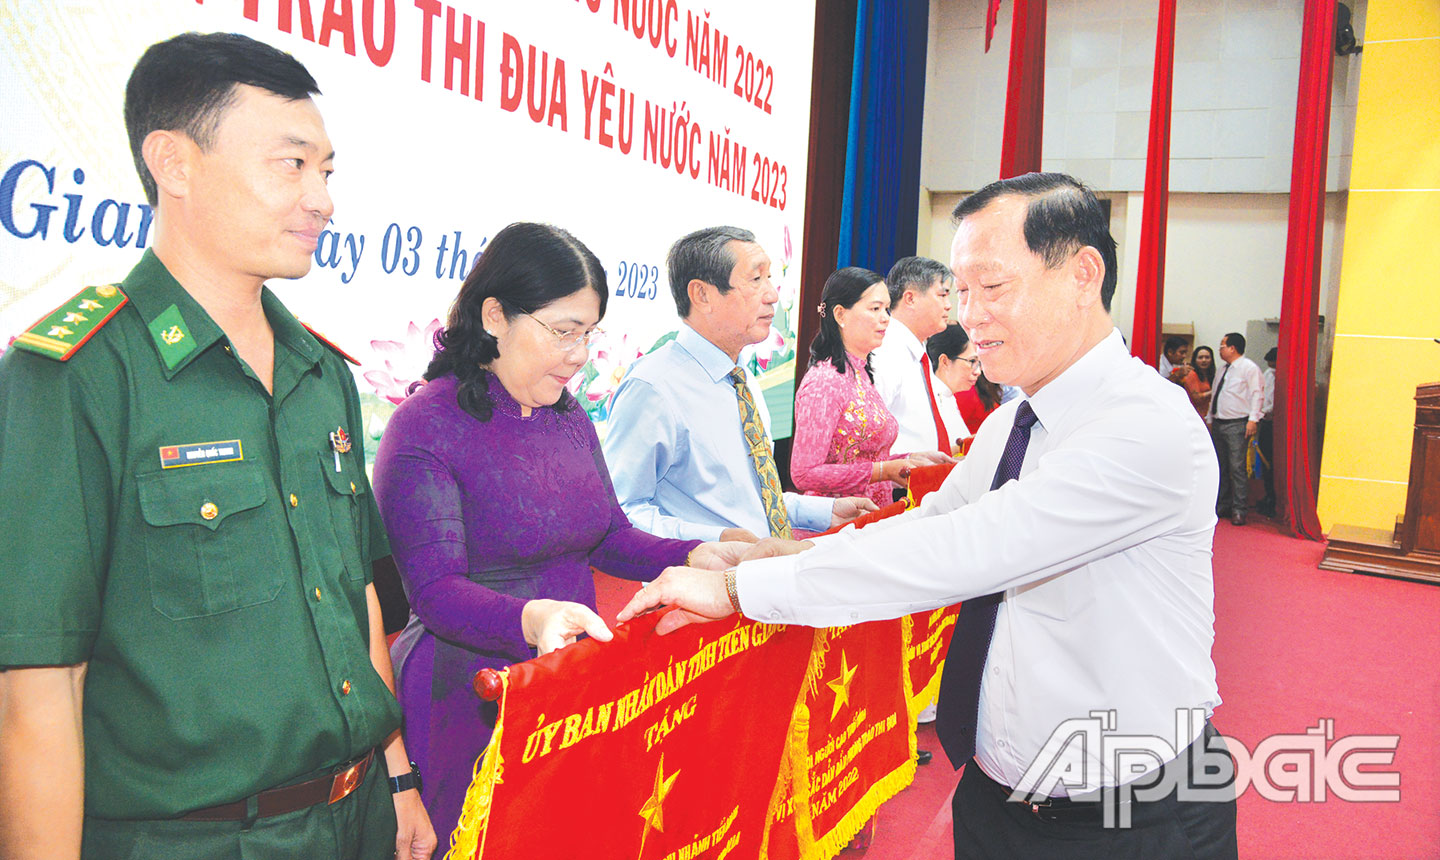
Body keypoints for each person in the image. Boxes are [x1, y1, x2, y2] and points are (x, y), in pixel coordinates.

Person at [621, 173, 1237, 860]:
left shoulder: (1144, 427)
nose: (966, 318)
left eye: (991, 288)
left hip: (1129, 818)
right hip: (998, 799)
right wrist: (783, 557)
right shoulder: (1016, 424)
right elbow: (930, 521)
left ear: (1082, 275)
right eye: (961, 293)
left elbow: (970, 549)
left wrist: (739, 592)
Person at [0, 33, 435, 860]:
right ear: (174, 162)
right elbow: (39, 686)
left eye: (328, 170)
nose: (322, 199)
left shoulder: (320, 373)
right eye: (291, 165)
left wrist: (397, 775)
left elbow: (357, 602)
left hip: (359, 819)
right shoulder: (79, 375)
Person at [371, 223, 746, 842]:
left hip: (565, 684)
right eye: (563, 332)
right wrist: (533, 618)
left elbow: (608, 537)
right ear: (495, 316)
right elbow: (436, 593)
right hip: (469, 695)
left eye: (589, 334)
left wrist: (706, 552)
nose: (579, 355)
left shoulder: (568, 414)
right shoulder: (425, 426)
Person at [603, 226, 876, 542]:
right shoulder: (653, 387)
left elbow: (748, 499)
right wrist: (718, 540)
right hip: (697, 582)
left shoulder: (742, 379)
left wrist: (824, 511)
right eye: (756, 279)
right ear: (702, 295)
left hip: (760, 579)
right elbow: (621, 512)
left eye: (770, 278)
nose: (773, 295)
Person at [791, 267, 915, 512]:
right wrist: (882, 471)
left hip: (869, 519)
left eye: (887, 309)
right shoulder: (824, 382)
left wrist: (907, 461)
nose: (886, 317)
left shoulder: (861, 372)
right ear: (840, 315)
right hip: (835, 523)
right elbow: (803, 474)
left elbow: (864, 458)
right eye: (875, 308)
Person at [872, 256, 967, 456]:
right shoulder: (885, 350)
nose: (949, 306)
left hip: (923, 479)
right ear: (910, 299)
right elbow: (869, 434)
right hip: (897, 483)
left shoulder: (918, 353)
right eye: (942, 295)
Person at [1209, 332, 1265, 526]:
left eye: (1222, 346)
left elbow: (1257, 394)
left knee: (1237, 467)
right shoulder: (1222, 369)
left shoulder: (1249, 368)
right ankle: (1222, 505)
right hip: (1219, 422)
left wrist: (1253, 419)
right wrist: (1210, 416)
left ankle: (1239, 508)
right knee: (1220, 466)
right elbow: (1217, 393)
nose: (1220, 349)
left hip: (1237, 423)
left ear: (1232, 348)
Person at [926, 323, 985, 442]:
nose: (978, 371)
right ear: (945, 361)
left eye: (979, 363)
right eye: (972, 361)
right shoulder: (927, 400)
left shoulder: (949, 398)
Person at [1256, 347, 1278, 518]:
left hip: (1278, 424)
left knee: (1275, 463)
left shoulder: (1285, 377)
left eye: (1275, 366)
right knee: (1265, 462)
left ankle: (1275, 499)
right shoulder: (1268, 374)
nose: (1272, 370)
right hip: (1266, 422)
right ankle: (1268, 495)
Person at [1184, 345, 1217, 418]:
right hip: (1195, 415)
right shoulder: (1192, 374)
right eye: (1200, 357)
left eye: (1207, 357)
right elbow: (1196, 398)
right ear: (1195, 360)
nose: (1204, 360)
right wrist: (1214, 391)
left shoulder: (1212, 375)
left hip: (1209, 416)